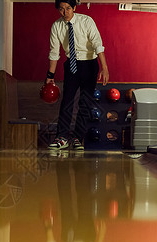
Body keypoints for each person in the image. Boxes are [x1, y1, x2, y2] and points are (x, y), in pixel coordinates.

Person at [46, 0, 109, 150]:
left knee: (85, 103)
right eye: (61, 9)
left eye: (68, 8)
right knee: (67, 101)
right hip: (71, 65)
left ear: (74, 7)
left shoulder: (86, 21)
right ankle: (61, 137)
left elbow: (97, 44)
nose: (65, 12)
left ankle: (77, 138)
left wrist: (104, 67)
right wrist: (50, 75)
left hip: (89, 64)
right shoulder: (56, 26)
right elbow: (54, 53)